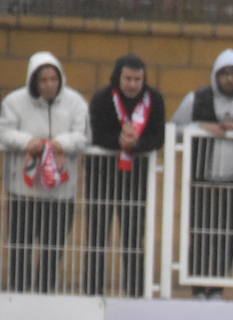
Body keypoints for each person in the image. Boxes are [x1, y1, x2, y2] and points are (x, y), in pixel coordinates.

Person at [171, 48, 233, 299]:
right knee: (200, 235)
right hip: (202, 181)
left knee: (226, 237)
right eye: (223, 73)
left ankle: (216, 287)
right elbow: (174, 129)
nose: (228, 79)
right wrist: (201, 127)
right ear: (215, 75)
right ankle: (197, 289)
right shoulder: (196, 99)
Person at [0, 51, 87, 293]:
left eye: (53, 79)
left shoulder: (76, 103)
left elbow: (83, 136)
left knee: (53, 248)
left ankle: (45, 292)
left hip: (61, 193)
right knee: (21, 247)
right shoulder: (14, 102)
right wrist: (29, 142)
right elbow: (4, 131)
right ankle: (18, 293)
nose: (49, 85)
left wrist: (61, 144)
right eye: (44, 80)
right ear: (33, 81)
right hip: (23, 191)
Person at [84, 54, 165, 297]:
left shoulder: (154, 99)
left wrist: (136, 144)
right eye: (128, 79)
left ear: (144, 79)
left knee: (133, 240)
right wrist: (118, 141)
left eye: (137, 79)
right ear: (118, 78)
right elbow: (94, 134)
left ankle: (135, 293)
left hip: (135, 182)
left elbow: (157, 137)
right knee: (97, 238)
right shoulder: (102, 98)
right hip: (102, 178)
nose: (132, 84)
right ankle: (93, 292)